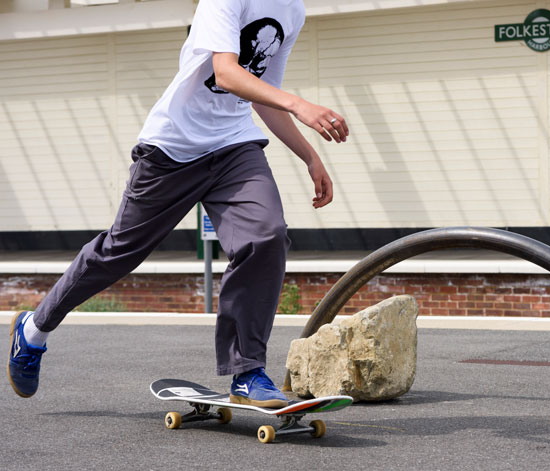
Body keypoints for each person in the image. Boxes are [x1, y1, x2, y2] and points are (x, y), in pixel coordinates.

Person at [7, 0, 348, 408]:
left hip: (234, 145)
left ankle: (247, 371)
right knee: (118, 252)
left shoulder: (292, 10)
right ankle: (35, 328)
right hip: (173, 148)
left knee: (266, 235)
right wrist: (301, 104)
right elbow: (227, 72)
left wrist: (309, 156)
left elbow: (262, 95)